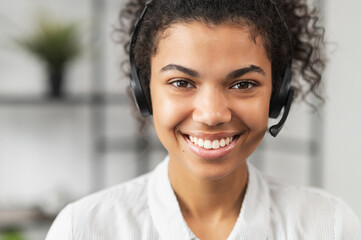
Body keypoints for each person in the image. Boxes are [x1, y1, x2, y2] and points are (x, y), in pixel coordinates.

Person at [46, 0, 361, 239]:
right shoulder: (83, 229)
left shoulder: (328, 225)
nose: (212, 115)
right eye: (182, 83)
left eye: (243, 84)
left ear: (277, 96)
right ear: (144, 91)